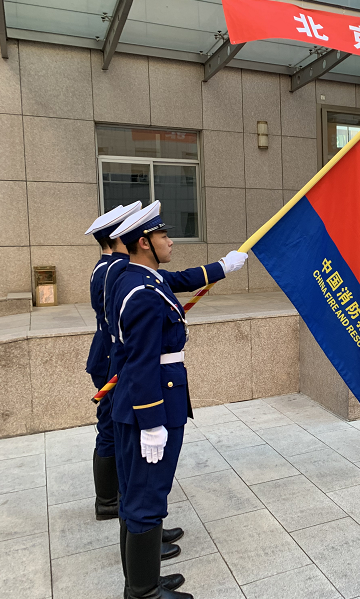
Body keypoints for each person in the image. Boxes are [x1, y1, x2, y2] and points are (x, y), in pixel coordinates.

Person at [109, 201, 247, 599]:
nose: (170, 241)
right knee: (146, 499)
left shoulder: (139, 277)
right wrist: (152, 423)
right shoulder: (142, 292)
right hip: (150, 406)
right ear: (144, 243)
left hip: (143, 400)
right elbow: (141, 363)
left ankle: (141, 582)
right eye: (163, 235)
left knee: (137, 495)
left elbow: (180, 279)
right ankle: (144, 593)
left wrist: (223, 266)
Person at [84, 202, 143, 522]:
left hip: (104, 353)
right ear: (120, 235)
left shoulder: (104, 265)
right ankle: (109, 501)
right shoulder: (117, 268)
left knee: (108, 425)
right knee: (110, 428)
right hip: (111, 358)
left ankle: (110, 497)